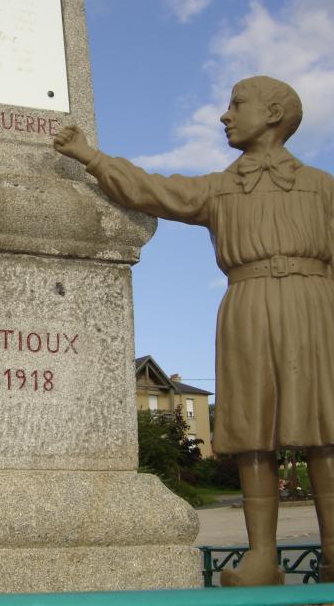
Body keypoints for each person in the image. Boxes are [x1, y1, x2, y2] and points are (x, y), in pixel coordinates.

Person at [53, 76, 334, 586]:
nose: (225, 116)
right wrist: (91, 158)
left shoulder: (322, 187)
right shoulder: (219, 188)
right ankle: (262, 558)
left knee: (325, 431)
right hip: (247, 305)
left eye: (236, 105)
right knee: (253, 432)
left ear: (273, 114)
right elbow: (152, 190)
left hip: (315, 307)